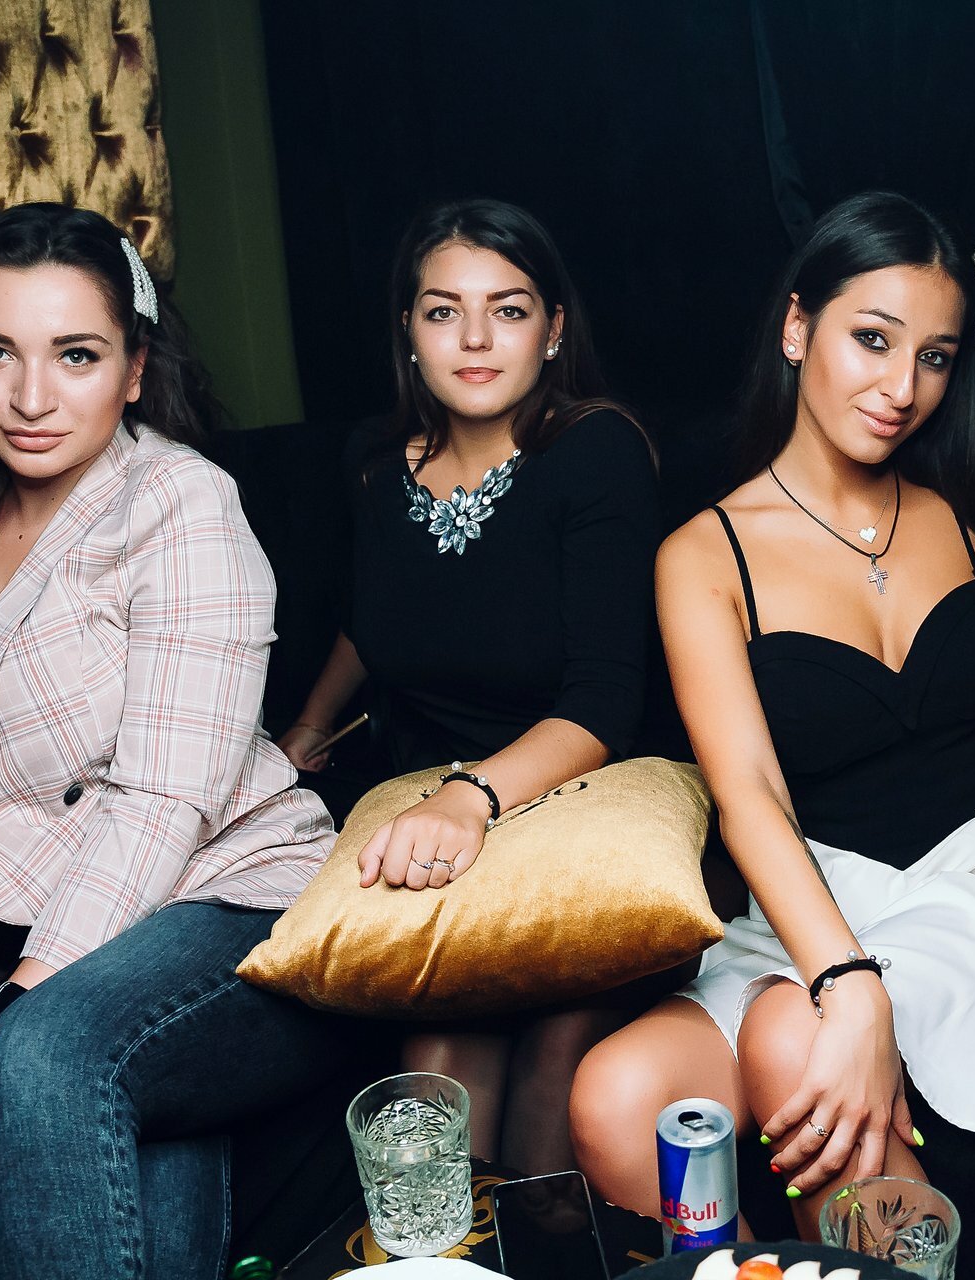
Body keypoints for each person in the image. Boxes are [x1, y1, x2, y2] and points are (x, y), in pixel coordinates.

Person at [0, 203, 364, 1278]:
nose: (32, 397)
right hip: (51, 937)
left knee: (39, 1062)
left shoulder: (179, 504)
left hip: (225, 898)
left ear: (134, 369)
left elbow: (159, 805)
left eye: (76, 355)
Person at [567, 191, 975, 1237]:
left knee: (793, 1033)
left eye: (934, 357)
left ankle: (891, 1258)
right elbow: (749, 793)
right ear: (797, 327)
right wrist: (848, 976)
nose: (901, 387)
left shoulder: (966, 500)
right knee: (615, 1098)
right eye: (872, 339)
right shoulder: (704, 553)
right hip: (819, 900)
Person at [275, 198, 660, 1175]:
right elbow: (374, 615)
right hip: (431, 800)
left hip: (581, 791)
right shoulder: (374, 464)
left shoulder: (599, 450)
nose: (476, 338)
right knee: (429, 1098)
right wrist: (309, 726)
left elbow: (605, 699)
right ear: (408, 330)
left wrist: (470, 798)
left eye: (509, 309)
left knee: (551, 1098)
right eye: (444, 311)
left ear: (554, 328)